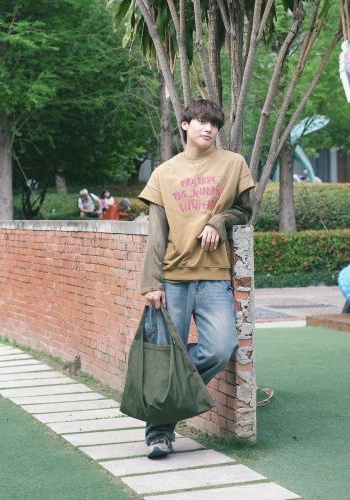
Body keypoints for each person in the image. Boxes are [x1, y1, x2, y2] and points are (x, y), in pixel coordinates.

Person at [138, 99, 255, 459]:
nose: (209, 128)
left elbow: (245, 211)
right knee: (164, 355)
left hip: (214, 278)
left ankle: (171, 399)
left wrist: (218, 221)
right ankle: (159, 435)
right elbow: (156, 232)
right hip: (172, 279)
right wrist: (151, 283)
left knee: (220, 347)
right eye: (202, 121)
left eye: (214, 124)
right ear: (185, 124)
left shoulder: (233, 164)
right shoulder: (164, 173)